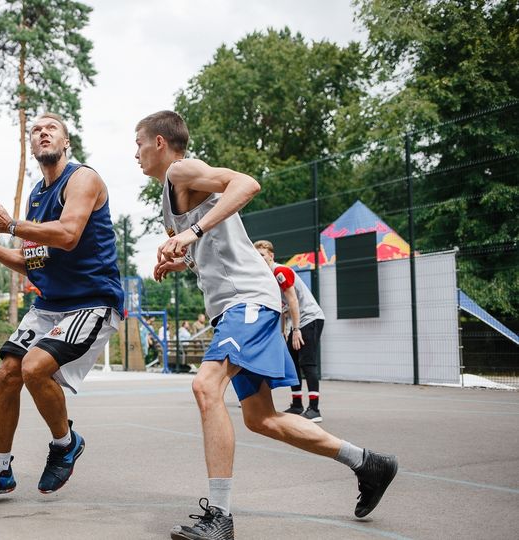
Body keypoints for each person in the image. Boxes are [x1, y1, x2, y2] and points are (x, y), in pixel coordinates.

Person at [134, 110, 397, 540]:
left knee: (205, 386)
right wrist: (178, 258)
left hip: (248, 301)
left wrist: (192, 232)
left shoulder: (183, 170)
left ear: (160, 142)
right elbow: (208, 250)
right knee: (261, 418)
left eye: (139, 143)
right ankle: (368, 463)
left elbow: (247, 184)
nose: (136, 153)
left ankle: (219, 517)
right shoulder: (170, 193)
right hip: (233, 307)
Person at [0, 112, 124, 506]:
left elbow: (67, 235)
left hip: (92, 301)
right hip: (50, 304)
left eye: (51, 128)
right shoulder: (36, 195)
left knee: (34, 367)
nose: (42, 132)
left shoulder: (83, 179)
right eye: (35, 130)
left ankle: (65, 444)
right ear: (31, 145)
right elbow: (31, 261)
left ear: (66, 142)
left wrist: (10, 225)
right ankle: (0, 469)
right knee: (7, 373)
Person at [254, 240, 326, 422]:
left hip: (309, 318)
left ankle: (315, 409)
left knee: (307, 362)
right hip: (295, 322)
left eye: (262, 255)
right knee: (292, 363)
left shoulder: (280, 271)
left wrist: (296, 329)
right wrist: (282, 331)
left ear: (271, 255)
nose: (259, 259)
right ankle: (297, 404)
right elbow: (281, 307)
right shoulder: (266, 279)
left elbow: (292, 301)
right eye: (257, 256)